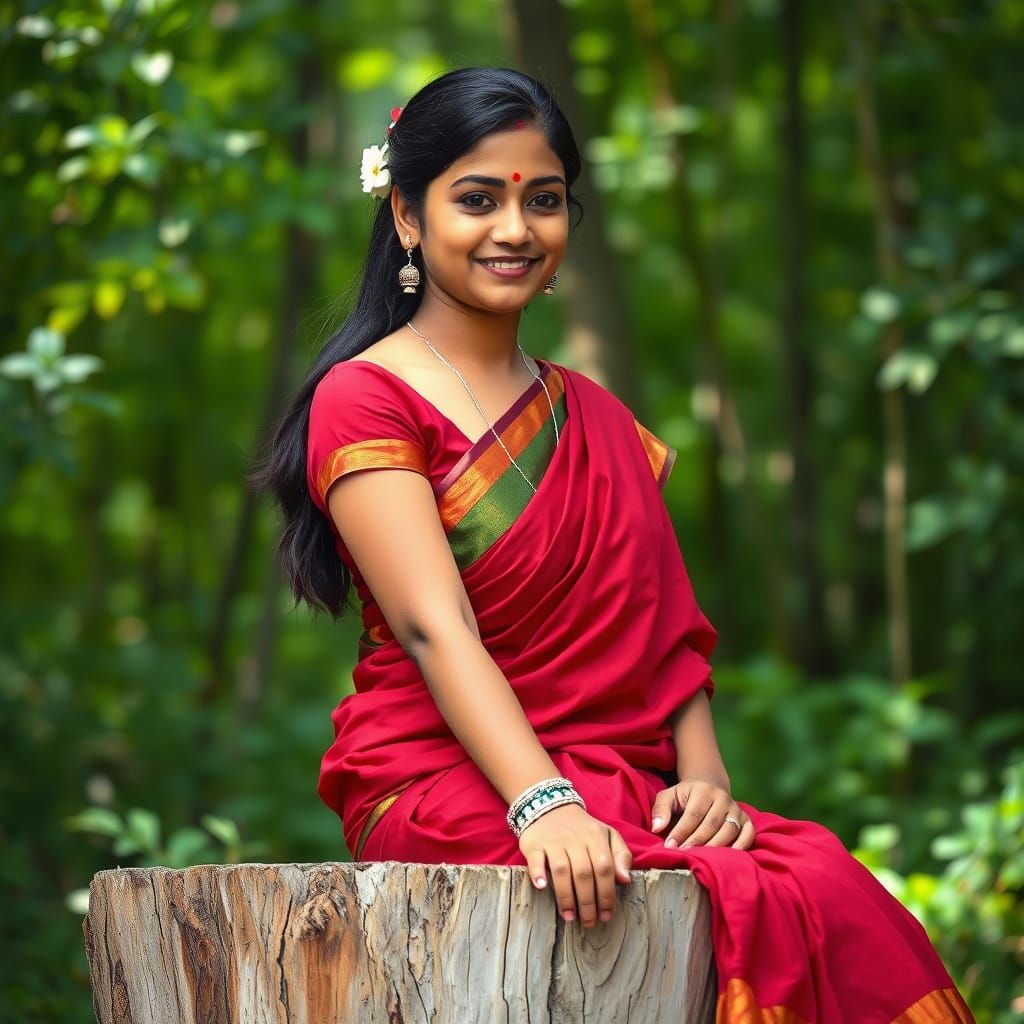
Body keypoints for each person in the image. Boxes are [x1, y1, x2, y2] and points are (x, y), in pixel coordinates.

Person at [257, 66, 972, 1022]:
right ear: (408, 217)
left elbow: (665, 632)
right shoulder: (367, 396)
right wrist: (540, 802)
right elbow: (438, 630)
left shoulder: (596, 416)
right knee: (640, 884)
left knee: (822, 879)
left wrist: (706, 779)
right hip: (444, 775)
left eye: (543, 201)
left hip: (618, 772)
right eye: (478, 199)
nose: (515, 229)